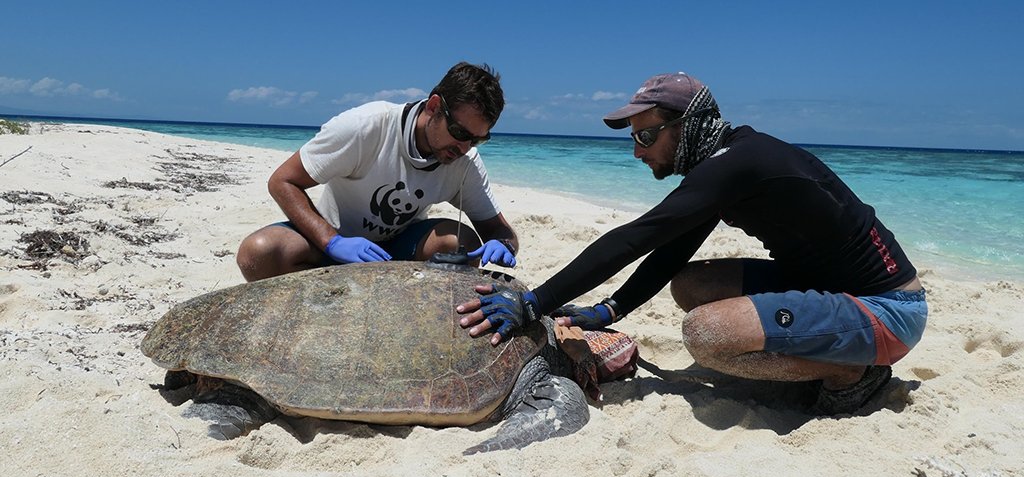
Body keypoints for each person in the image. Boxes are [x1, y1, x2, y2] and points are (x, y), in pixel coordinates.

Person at [457, 72, 928, 415]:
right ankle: (827, 350)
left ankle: (854, 373)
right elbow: (672, 248)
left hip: (886, 310)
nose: (638, 150)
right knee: (691, 284)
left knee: (706, 336)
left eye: (646, 135)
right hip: (829, 287)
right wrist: (611, 311)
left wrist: (533, 302)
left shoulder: (735, 164)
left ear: (687, 124)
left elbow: (634, 238)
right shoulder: (727, 163)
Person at [236, 62, 519, 282]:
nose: (464, 147)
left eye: (477, 139)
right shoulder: (366, 126)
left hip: (397, 255)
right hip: (330, 244)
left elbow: (499, 229)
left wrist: (503, 244)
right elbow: (282, 181)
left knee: (461, 243)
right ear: (434, 107)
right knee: (259, 251)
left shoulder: (464, 161)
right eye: (459, 132)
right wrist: (332, 241)